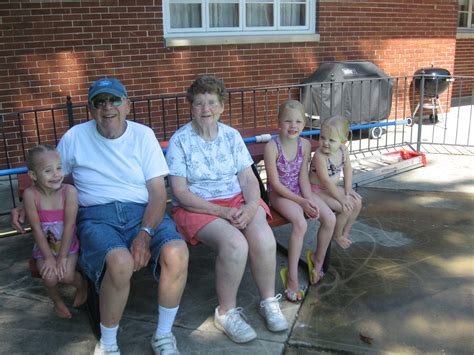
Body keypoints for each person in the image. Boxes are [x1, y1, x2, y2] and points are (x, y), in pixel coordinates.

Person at [12, 78, 188, 355]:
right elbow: (50, 173)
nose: (108, 107)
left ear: (127, 105)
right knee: (120, 261)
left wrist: (145, 234)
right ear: (91, 109)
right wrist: (28, 201)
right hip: (96, 215)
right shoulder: (75, 137)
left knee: (177, 251)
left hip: (142, 211)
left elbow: (157, 193)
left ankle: (163, 335)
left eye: (115, 100)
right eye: (100, 102)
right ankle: (108, 343)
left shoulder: (143, 135)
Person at [165, 76, 288, 344]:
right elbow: (180, 192)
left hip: (237, 201)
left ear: (222, 106)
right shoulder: (180, 141)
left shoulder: (231, 136)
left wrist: (252, 205)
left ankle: (268, 301)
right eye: (198, 103)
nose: (205, 109)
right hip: (197, 206)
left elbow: (248, 179)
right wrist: (220, 213)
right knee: (235, 244)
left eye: (211, 102)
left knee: (264, 238)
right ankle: (226, 312)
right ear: (191, 107)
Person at [264, 100, 336, 300]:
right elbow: (275, 184)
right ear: (278, 122)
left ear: (303, 124)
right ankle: (292, 276)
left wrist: (307, 199)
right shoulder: (272, 147)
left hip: (298, 190)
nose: (293, 126)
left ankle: (317, 261)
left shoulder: (304, 145)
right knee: (300, 223)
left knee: (329, 218)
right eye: (287, 121)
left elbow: (303, 177)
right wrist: (302, 202)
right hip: (279, 194)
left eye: (297, 121)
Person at [23, 144, 87, 319]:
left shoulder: (69, 192)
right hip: (44, 248)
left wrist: (62, 257)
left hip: (68, 246)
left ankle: (82, 286)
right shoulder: (31, 195)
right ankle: (57, 303)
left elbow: (69, 226)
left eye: (59, 168)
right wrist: (50, 258)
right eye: (48, 171)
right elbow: (36, 228)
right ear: (33, 175)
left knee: (66, 276)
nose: (56, 174)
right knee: (49, 277)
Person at [309, 115, 362, 250]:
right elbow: (325, 181)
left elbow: (348, 168)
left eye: (331, 140)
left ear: (343, 141)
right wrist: (342, 198)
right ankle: (337, 236)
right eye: (322, 138)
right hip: (317, 190)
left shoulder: (343, 151)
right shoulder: (319, 156)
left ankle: (345, 233)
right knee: (345, 207)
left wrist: (348, 189)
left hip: (330, 188)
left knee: (357, 203)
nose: (325, 142)